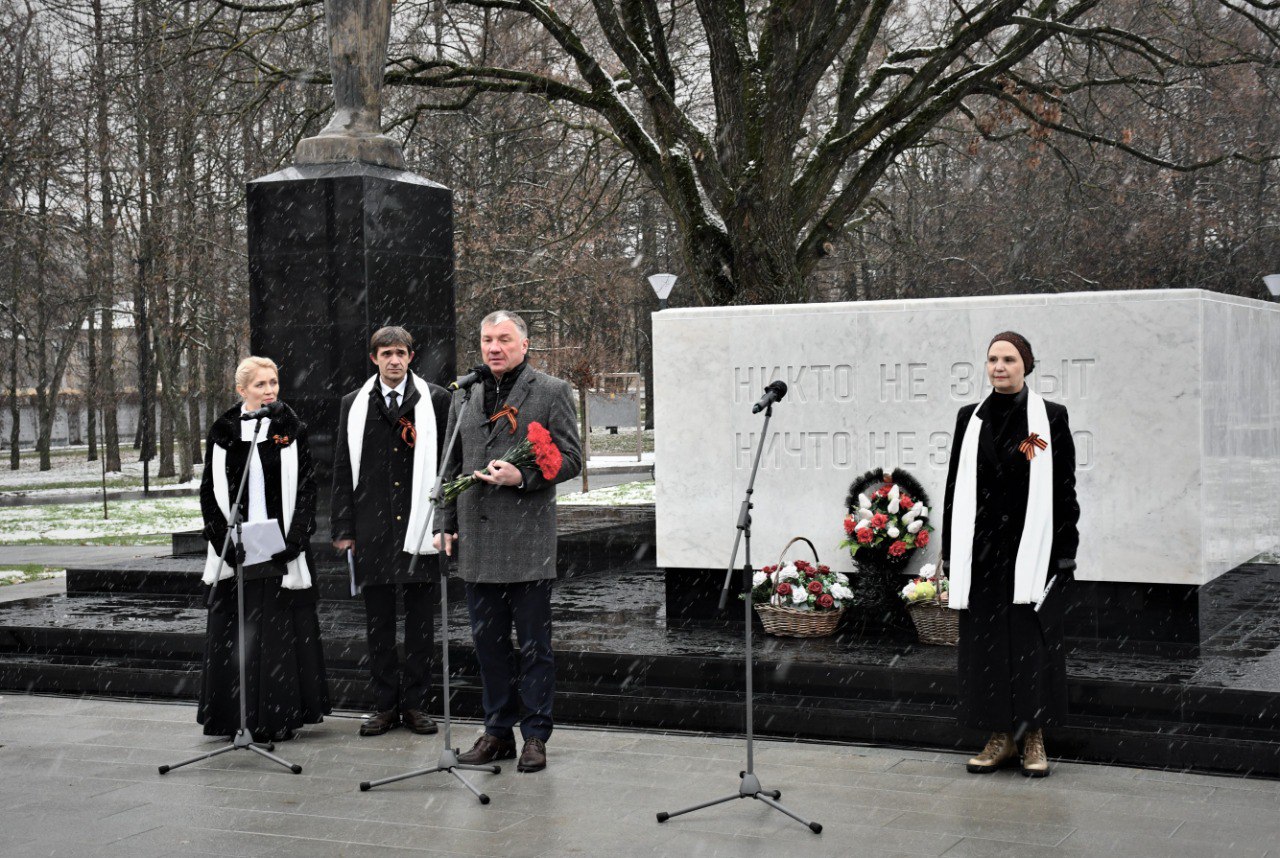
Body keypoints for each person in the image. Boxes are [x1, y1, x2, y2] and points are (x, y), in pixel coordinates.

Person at [434, 310, 582, 774]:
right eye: (486, 340)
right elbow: (450, 464)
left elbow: (572, 459)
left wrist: (526, 476)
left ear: (524, 344)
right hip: (476, 539)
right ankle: (497, 731)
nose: (493, 348)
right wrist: (445, 522)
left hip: (526, 540)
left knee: (535, 646)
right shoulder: (467, 393)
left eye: (503, 339)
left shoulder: (552, 391)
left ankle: (535, 736)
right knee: (488, 645)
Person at [941, 332, 1080, 778]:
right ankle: (999, 737)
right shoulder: (971, 418)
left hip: (1031, 553)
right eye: (992, 359)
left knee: (1031, 647)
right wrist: (949, 551)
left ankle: (1033, 737)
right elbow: (954, 490)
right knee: (985, 650)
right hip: (982, 554)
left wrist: (1065, 554)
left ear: (1027, 365)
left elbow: (1063, 491)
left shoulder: (1048, 419)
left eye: (1009, 359)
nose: (999, 366)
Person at [198, 356, 330, 741]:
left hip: (278, 549)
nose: (270, 390)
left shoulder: (291, 428)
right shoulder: (223, 431)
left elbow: (306, 487)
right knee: (235, 631)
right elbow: (210, 489)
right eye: (261, 385)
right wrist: (220, 535)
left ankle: (278, 715)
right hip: (236, 548)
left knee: (278, 633)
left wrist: (296, 539)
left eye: (273, 383)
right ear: (241, 390)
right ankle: (232, 715)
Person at [331, 326, 451, 736]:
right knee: (378, 623)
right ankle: (384, 705)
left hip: (420, 526)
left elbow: (449, 466)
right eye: (386, 354)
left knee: (420, 623)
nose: (394, 360)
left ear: (411, 357)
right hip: (373, 529)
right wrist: (344, 527)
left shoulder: (435, 399)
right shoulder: (354, 404)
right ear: (374, 358)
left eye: (401, 353)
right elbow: (343, 468)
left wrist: (444, 522)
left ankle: (416, 705)